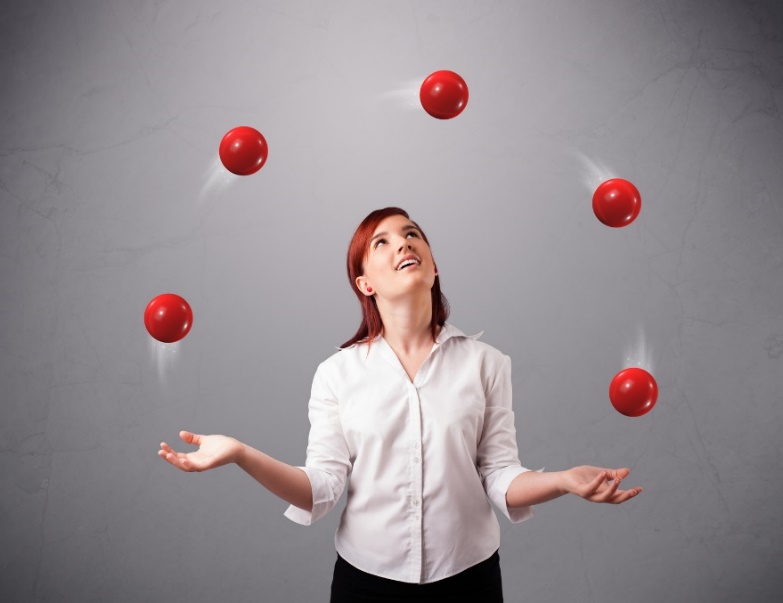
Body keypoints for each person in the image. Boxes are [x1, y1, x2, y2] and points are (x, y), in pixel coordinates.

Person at [158, 207, 642, 602]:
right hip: (366, 585)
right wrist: (241, 453)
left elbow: (499, 476)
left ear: (434, 266)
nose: (403, 244)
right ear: (364, 283)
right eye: (381, 243)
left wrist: (563, 481)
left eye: (411, 235)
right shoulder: (336, 375)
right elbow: (319, 489)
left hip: (469, 581)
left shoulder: (488, 364)